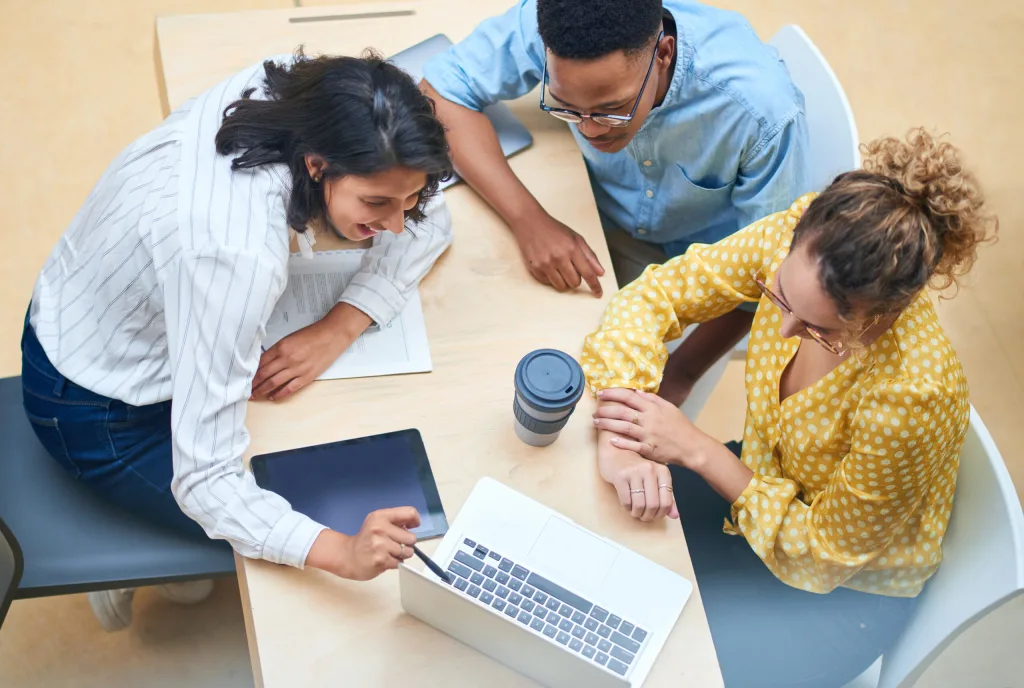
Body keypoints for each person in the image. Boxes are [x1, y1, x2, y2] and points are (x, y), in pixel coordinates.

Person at [21, 50, 454, 630]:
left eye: (408, 200)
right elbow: (204, 481)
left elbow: (436, 218)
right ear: (317, 166)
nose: (399, 223)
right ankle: (149, 560)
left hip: (86, 305)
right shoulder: (235, 256)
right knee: (314, 518)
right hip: (93, 411)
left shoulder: (295, 88)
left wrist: (341, 324)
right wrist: (343, 553)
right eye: (378, 204)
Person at [580, 129, 996, 687]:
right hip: (757, 490)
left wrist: (700, 451)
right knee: (591, 541)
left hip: (835, 596)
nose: (781, 329)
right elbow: (655, 297)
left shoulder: (914, 394)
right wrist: (624, 420)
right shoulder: (800, 236)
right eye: (778, 296)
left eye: (818, 329)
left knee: (655, 665)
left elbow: (825, 553)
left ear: (881, 315)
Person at [422, 0, 810, 401]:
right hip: (593, 217)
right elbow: (439, 90)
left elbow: (770, 275)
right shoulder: (554, 24)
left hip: (696, 267)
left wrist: (682, 373)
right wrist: (529, 221)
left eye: (612, 110)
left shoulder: (761, 112)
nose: (589, 129)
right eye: (567, 107)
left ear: (663, 54)